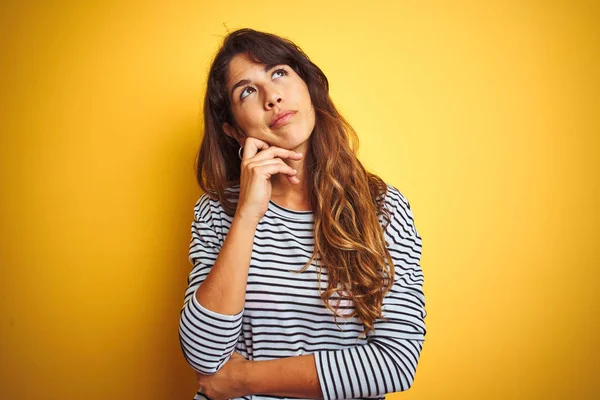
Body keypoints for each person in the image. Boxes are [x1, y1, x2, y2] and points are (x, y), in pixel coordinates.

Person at [179, 28, 427, 400]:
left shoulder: (384, 208)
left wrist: (243, 379)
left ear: (309, 87)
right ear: (232, 129)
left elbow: (395, 362)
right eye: (246, 91)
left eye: (278, 73)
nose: (272, 97)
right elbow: (203, 354)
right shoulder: (217, 211)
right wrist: (247, 214)